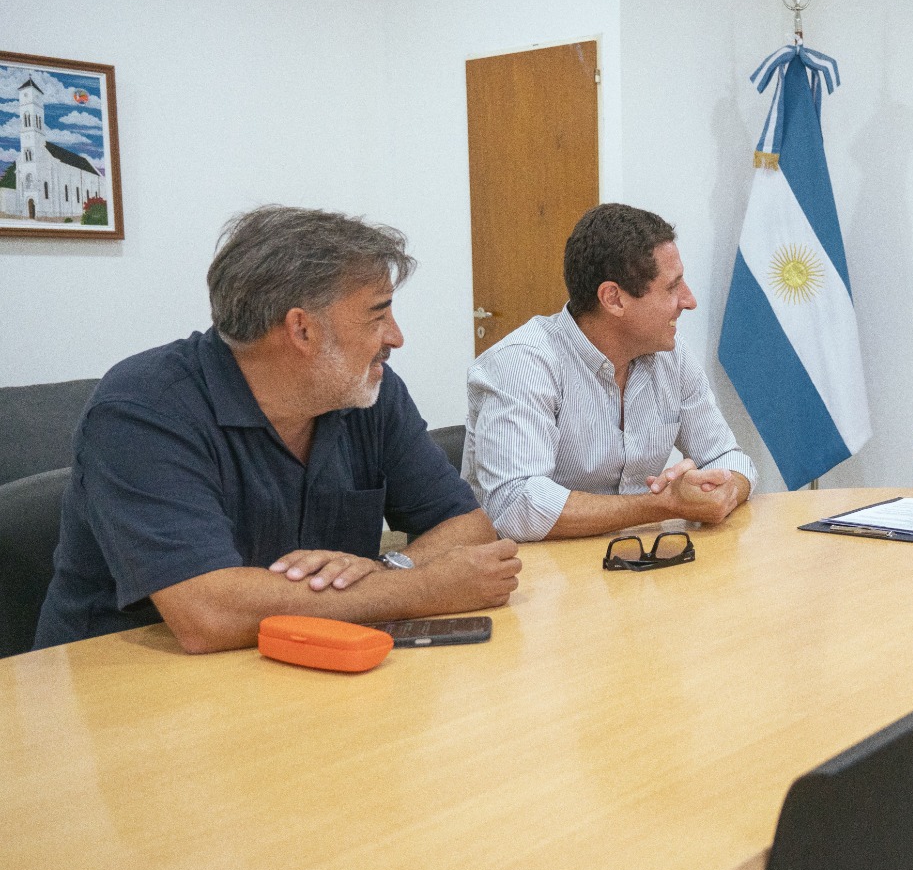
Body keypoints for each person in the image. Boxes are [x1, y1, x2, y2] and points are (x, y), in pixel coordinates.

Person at [33, 206, 521, 654]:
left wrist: (386, 568)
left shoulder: (368, 391)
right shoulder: (142, 409)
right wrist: (425, 588)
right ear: (301, 329)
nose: (396, 337)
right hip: (125, 684)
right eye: (378, 315)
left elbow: (468, 529)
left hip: (299, 665)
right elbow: (208, 614)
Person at [465, 202, 755, 541]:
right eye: (672, 287)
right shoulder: (522, 363)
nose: (689, 301)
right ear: (614, 299)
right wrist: (664, 505)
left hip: (636, 557)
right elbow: (517, 506)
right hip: (536, 567)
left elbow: (728, 457)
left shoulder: (671, 356)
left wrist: (723, 489)